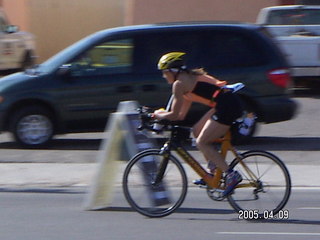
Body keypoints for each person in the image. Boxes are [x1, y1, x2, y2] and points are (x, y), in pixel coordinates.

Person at [153, 52, 244, 196]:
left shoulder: (179, 84)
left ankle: (231, 175)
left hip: (227, 106)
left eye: (165, 72)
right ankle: (214, 173)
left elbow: (175, 115)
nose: (164, 76)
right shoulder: (187, 79)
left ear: (173, 71)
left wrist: (157, 115)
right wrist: (163, 115)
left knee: (202, 142)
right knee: (196, 131)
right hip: (224, 104)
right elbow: (181, 115)